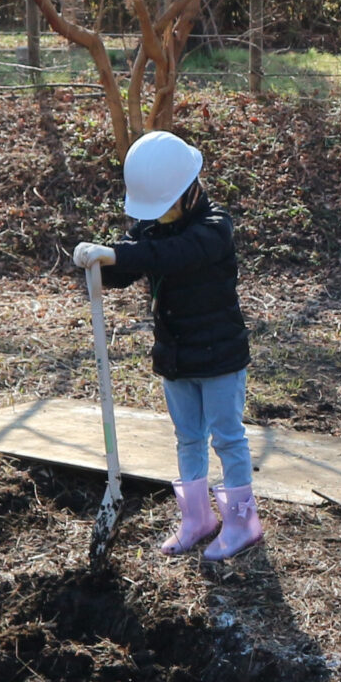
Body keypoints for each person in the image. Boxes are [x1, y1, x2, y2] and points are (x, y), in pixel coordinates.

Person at [74, 129, 261, 561]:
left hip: (220, 357)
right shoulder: (154, 229)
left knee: (227, 437)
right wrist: (97, 261)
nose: (154, 219)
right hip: (176, 356)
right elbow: (130, 262)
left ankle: (242, 522)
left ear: (186, 193)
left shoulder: (214, 229)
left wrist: (120, 255)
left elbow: (172, 255)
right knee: (187, 437)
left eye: (162, 209)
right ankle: (197, 518)